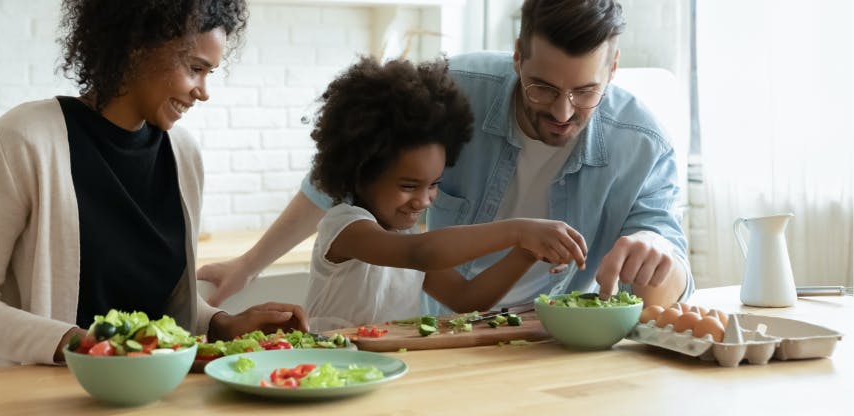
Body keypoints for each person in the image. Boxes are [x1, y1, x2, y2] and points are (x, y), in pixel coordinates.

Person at [199, 0, 694, 312]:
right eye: (542, 88)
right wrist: (249, 264)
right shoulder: (450, 92)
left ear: (612, 70)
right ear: (517, 56)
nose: (563, 112)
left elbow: (466, 297)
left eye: (585, 91)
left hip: (527, 336)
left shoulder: (644, 142)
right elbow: (403, 239)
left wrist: (531, 251)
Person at [0, 0, 307, 371]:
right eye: (195, 69)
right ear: (136, 49)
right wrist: (82, 344)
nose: (204, 91)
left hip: (152, 390)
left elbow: (159, 308)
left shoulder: (184, 155)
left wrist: (220, 324)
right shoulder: (18, 142)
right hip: (39, 398)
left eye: (209, 73)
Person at [300, 57, 587, 331]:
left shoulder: (405, 239)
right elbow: (422, 254)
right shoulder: (344, 227)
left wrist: (526, 252)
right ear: (360, 173)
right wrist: (520, 230)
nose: (424, 201)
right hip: (326, 371)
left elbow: (466, 298)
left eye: (434, 184)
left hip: (381, 372)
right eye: (409, 186)